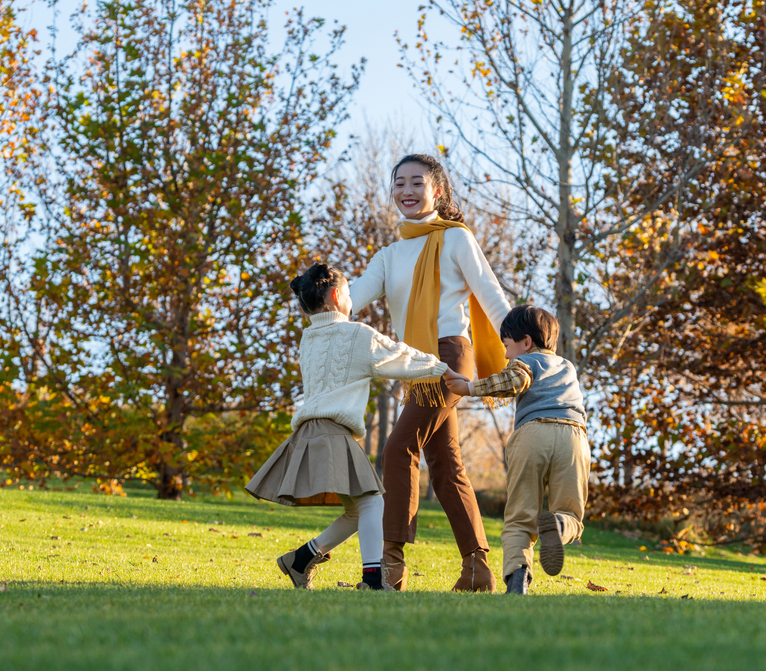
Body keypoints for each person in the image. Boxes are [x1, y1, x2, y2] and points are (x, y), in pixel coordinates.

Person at [349, 153, 512, 592]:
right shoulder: (389, 255)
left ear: (437, 190)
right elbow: (353, 298)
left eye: (417, 182)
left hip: (448, 358)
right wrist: (321, 294)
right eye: (399, 182)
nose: (406, 190)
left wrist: (528, 346)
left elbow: (492, 297)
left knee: (398, 448)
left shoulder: (456, 239)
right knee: (445, 465)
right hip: (414, 364)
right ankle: (477, 569)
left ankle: (390, 566)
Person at [246, 262, 449, 591]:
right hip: (332, 432)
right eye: (351, 293)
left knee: (358, 510)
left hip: (311, 433)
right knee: (372, 502)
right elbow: (399, 357)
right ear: (338, 295)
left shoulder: (308, 338)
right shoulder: (358, 335)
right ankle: (373, 579)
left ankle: (300, 560)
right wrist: (442, 368)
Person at [444, 304, 590, 595]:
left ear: (526, 342)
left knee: (520, 517)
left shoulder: (526, 362)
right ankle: (559, 527)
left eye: (507, 347)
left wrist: (469, 388)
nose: (506, 355)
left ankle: (517, 582)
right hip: (574, 438)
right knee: (572, 514)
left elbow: (515, 380)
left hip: (532, 434)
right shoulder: (567, 366)